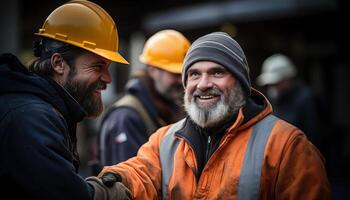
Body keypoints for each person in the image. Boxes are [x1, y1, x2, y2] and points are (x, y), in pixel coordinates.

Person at [99, 32, 331, 199]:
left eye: (217, 72)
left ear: (240, 83)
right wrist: (110, 184)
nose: (203, 84)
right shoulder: (165, 140)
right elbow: (140, 174)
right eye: (194, 74)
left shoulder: (287, 146)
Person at [0, 1, 131, 199]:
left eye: (108, 68)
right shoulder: (31, 118)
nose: (108, 79)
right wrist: (103, 193)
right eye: (97, 67)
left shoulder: (41, 110)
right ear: (59, 63)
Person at [99, 30, 190, 165]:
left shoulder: (170, 108)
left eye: (184, 74)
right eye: (175, 74)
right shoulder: (126, 117)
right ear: (153, 70)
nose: (181, 81)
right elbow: (126, 183)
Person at [256, 54, 319, 145]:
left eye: (276, 83)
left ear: (288, 78)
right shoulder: (274, 98)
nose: (273, 88)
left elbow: (312, 136)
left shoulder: (305, 99)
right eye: (270, 84)